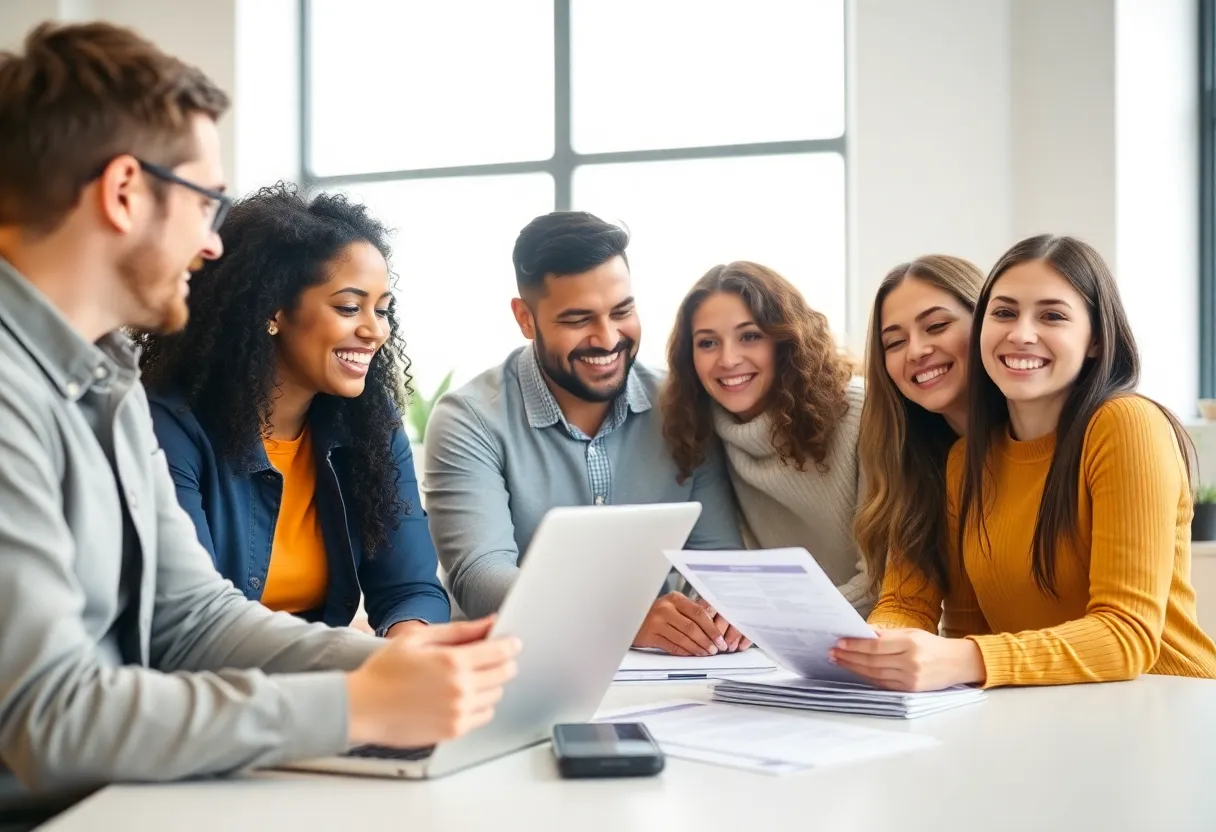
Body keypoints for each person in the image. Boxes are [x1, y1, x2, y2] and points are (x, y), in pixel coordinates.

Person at [0, 21, 517, 815]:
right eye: (205, 202)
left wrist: (394, 667)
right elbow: (49, 718)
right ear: (124, 191)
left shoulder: (107, 381)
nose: (213, 246)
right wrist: (355, 705)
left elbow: (194, 619)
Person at [837, 235, 1216, 689]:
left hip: (1168, 701)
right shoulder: (963, 462)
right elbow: (958, 628)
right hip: (1048, 710)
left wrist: (964, 658)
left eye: (1052, 316)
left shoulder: (1126, 423)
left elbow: (1125, 635)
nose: (1020, 334)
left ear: (1096, 339)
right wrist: (874, 649)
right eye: (1004, 313)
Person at [424, 211, 745, 658]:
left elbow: (720, 565)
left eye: (622, 311)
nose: (608, 338)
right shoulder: (470, 419)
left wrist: (723, 611)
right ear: (525, 319)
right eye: (578, 320)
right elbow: (480, 577)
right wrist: (621, 619)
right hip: (511, 666)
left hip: (657, 669)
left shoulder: (682, 405)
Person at [136, 184, 450, 637]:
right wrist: (356, 657)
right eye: (349, 307)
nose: (375, 331)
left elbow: (410, 588)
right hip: (217, 671)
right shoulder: (170, 425)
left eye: (382, 310)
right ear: (273, 311)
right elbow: (195, 619)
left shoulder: (368, 422)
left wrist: (410, 646)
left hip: (325, 668)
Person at [661, 261, 870, 619]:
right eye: (708, 343)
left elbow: (883, 581)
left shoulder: (860, 412)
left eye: (750, 336)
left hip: (878, 631)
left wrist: (769, 618)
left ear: (785, 340)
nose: (728, 359)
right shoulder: (701, 429)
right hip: (775, 639)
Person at [852, 255, 984, 606]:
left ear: (987, 321)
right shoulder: (915, 462)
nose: (916, 351)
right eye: (895, 343)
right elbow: (904, 602)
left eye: (937, 326)